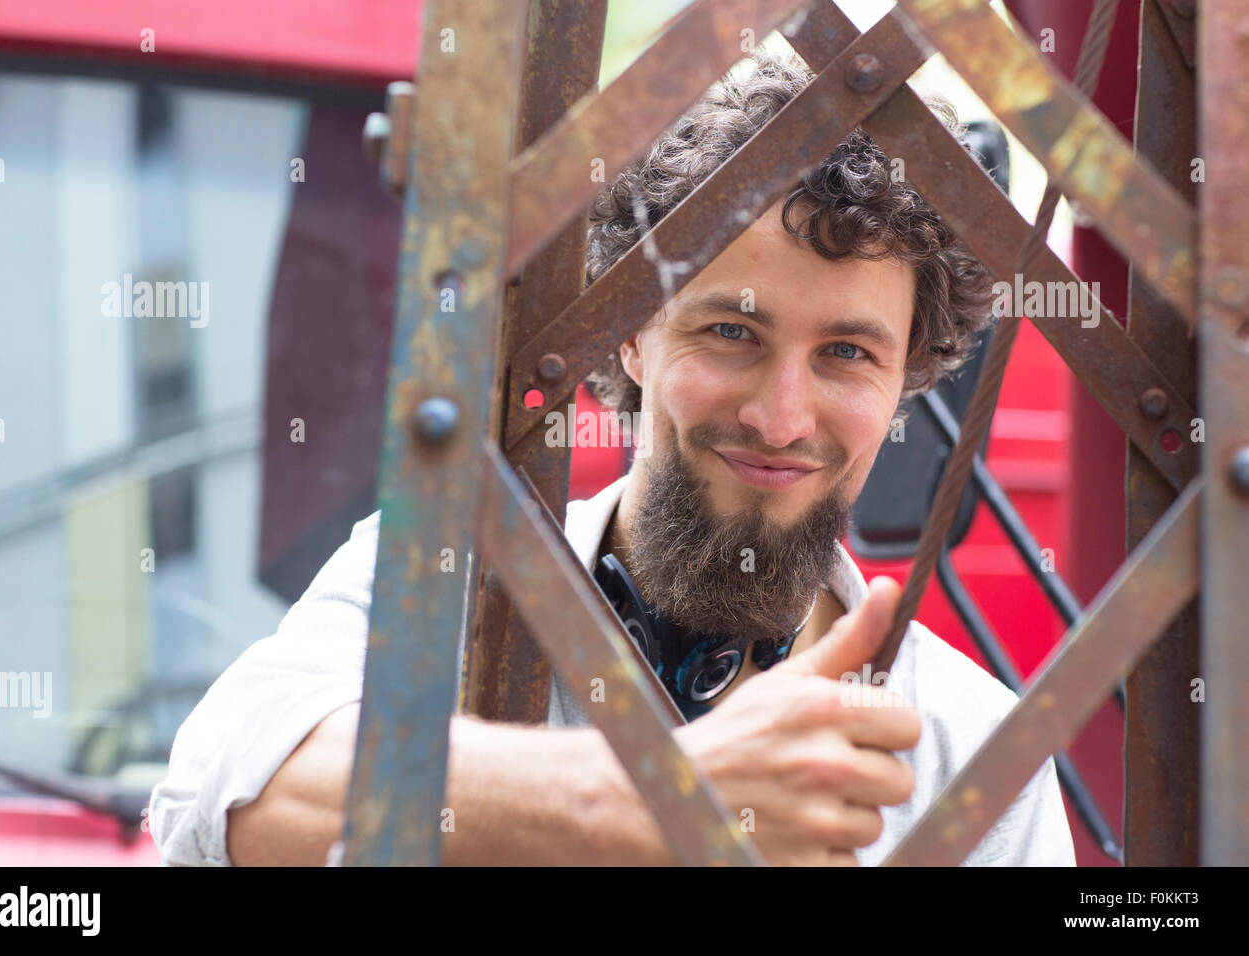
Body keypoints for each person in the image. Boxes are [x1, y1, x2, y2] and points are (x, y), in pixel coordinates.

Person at [149, 50, 1076, 867]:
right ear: (628, 334)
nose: (782, 417)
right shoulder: (451, 580)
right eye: (731, 332)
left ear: (907, 378)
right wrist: (654, 800)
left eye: (847, 354)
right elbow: (226, 791)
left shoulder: (971, 751)